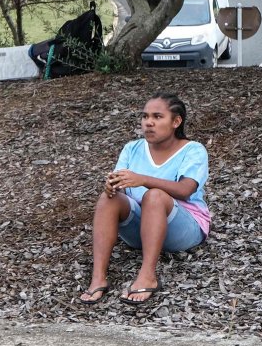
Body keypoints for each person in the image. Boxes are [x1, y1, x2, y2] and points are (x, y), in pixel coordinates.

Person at [80, 92, 210, 306]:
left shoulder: (193, 150)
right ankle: (98, 278)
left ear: (176, 121)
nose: (148, 123)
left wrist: (142, 180)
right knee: (108, 198)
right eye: (145, 116)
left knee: (155, 196)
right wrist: (113, 186)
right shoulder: (132, 148)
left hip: (183, 230)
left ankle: (147, 275)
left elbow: (186, 189)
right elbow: (120, 185)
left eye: (158, 117)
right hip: (140, 230)